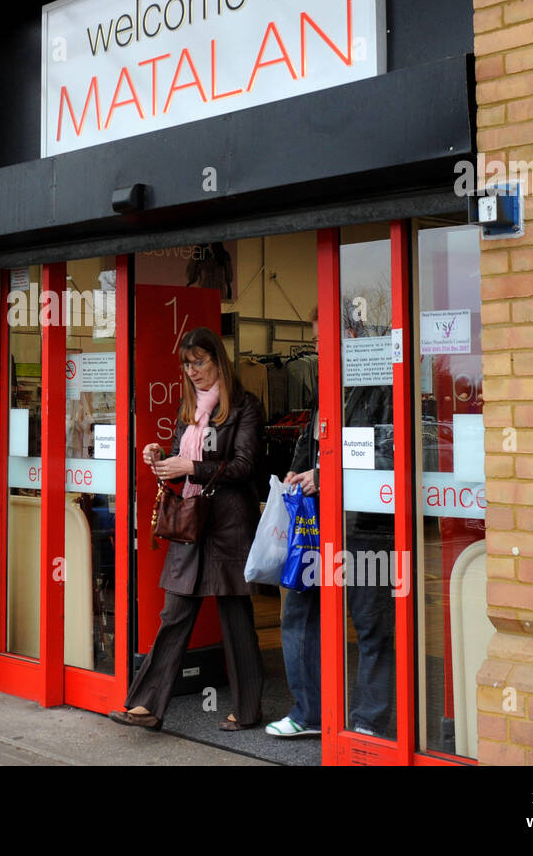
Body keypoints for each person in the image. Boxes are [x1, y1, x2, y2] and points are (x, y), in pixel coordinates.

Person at [110, 327, 265, 732]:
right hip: (192, 524)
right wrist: (162, 458)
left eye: (199, 361)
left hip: (230, 525)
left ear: (218, 360)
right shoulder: (189, 409)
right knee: (174, 614)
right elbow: (182, 468)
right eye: (186, 363)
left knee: (236, 618)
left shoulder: (245, 406)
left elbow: (247, 466)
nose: (192, 370)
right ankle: (146, 705)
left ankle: (248, 710)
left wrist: (191, 466)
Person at [266, 303, 396, 740]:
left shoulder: (384, 386)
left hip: (366, 526)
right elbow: (311, 441)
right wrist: (296, 470)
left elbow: (390, 452)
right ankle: (309, 712)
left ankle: (369, 722)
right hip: (317, 526)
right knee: (299, 615)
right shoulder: (328, 388)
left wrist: (325, 476)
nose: (319, 348)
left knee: (370, 623)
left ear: (354, 338)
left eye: (326, 339)